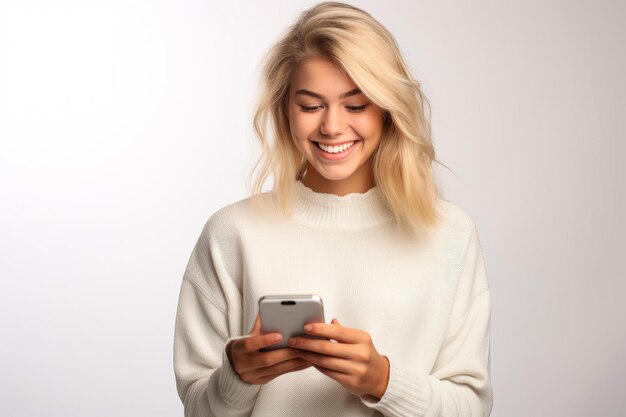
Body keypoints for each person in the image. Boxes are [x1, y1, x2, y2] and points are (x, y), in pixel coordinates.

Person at [173, 1, 493, 416]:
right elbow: (198, 410)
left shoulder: (448, 233)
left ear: (387, 111)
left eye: (356, 105)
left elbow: (472, 407)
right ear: (285, 110)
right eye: (310, 106)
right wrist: (237, 377)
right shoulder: (232, 233)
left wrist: (383, 381)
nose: (332, 126)